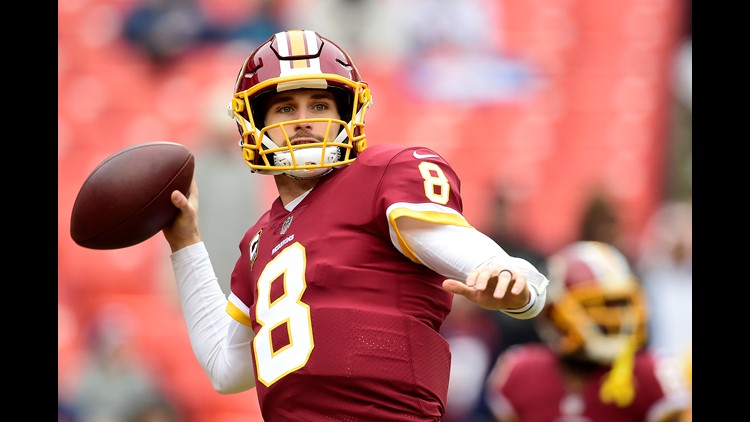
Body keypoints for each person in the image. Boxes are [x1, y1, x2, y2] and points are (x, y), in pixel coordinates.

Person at [161, 29, 549, 421]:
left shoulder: (380, 175)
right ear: (253, 123)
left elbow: (470, 253)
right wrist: (185, 242)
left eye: (318, 106)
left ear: (347, 113)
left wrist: (515, 280)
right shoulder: (258, 239)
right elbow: (225, 368)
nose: (303, 122)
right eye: (285, 109)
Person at [484, 241, 691, 422]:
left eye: (618, 305)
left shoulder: (650, 376)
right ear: (553, 313)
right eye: (596, 306)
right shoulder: (520, 371)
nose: (613, 318)